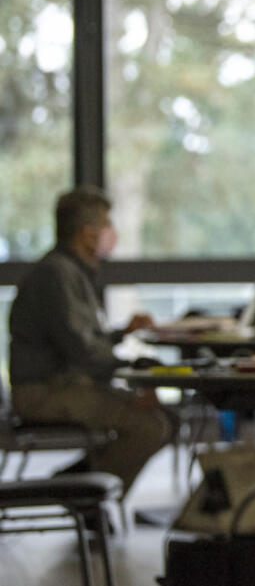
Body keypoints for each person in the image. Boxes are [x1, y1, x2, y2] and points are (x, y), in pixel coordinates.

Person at [7, 186, 171, 497]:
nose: (113, 233)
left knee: (162, 420)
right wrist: (136, 372)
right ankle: (80, 494)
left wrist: (122, 334)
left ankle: (78, 482)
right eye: (107, 225)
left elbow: (78, 339)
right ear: (87, 233)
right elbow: (80, 349)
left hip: (64, 385)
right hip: (44, 393)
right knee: (150, 426)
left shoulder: (69, 271)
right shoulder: (56, 275)